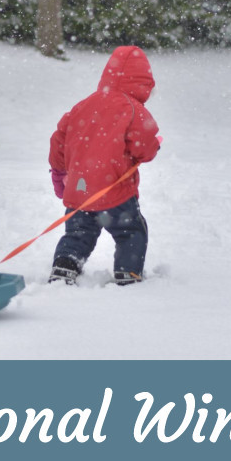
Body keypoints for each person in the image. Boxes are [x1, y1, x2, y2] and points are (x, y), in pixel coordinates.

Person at [48, 45, 162, 285]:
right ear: (144, 84)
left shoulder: (83, 105)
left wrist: (59, 174)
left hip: (80, 191)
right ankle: (127, 272)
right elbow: (145, 147)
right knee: (131, 232)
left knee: (78, 234)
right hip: (115, 192)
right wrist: (154, 146)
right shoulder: (133, 109)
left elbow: (59, 139)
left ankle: (65, 265)